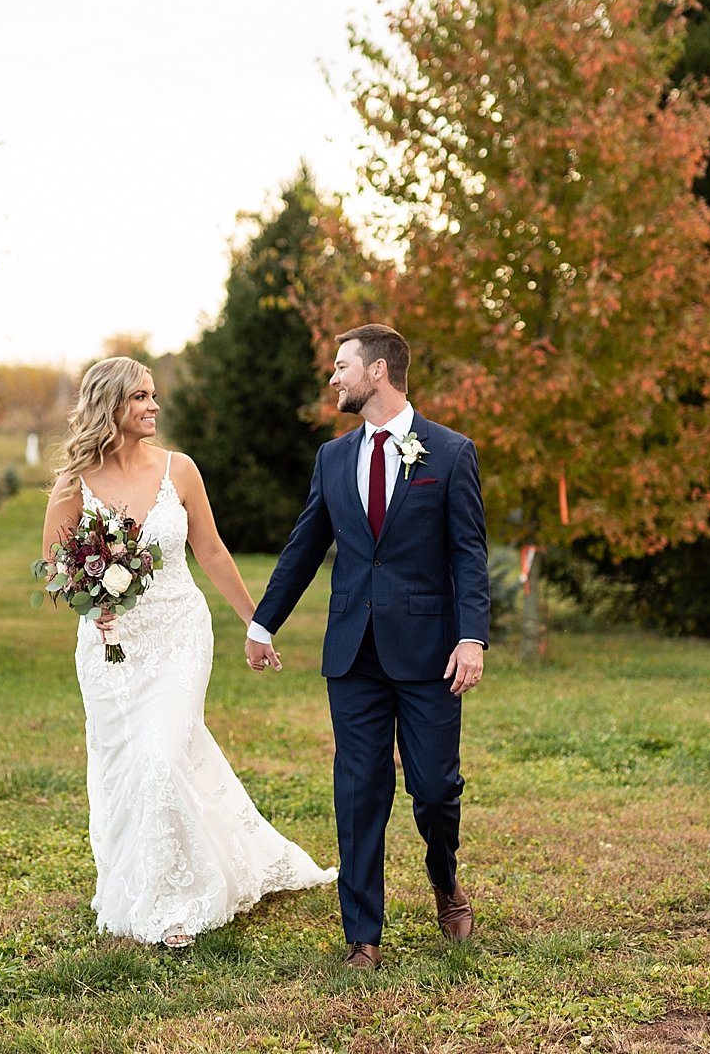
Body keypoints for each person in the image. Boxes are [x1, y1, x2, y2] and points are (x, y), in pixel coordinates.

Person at [43, 356, 337, 949]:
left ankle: (172, 903)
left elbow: (213, 551)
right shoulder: (75, 482)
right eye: (140, 397)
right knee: (126, 765)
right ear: (110, 405)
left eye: (153, 394)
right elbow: (55, 565)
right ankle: (145, 877)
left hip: (179, 632)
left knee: (161, 757)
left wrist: (257, 622)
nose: (154, 405)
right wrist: (91, 607)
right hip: (111, 645)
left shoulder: (180, 469)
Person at [246, 324, 489, 970]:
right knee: (359, 792)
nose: (333, 377)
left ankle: (445, 879)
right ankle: (363, 938)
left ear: (377, 371)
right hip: (353, 652)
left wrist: (471, 637)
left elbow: (468, 553)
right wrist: (263, 623)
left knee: (434, 790)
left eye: (342, 366)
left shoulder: (450, 453)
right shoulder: (333, 458)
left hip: (430, 651)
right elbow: (304, 547)